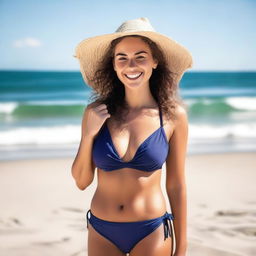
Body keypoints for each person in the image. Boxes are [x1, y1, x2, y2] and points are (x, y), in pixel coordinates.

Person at [72, 17, 193, 256]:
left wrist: (182, 246)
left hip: (151, 231)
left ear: (155, 62)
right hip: (101, 230)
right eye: (122, 58)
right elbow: (82, 181)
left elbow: (176, 185)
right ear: (114, 66)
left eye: (140, 57)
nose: (131, 66)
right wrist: (88, 135)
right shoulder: (97, 113)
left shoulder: (172, 116)